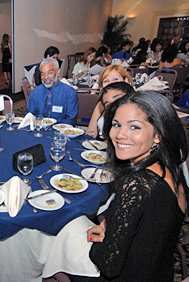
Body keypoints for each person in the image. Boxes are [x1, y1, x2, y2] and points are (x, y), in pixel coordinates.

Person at [70, 91, 187, 281]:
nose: (120, 135)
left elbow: (108, 265)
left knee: (63, 243)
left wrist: (101, 243)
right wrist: (111, 230)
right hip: (160, 272)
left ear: (158, 134)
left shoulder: (137, 184)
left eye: (134, 127)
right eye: (116, 125)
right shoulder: (172, 171)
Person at [86, 64, 133, 139]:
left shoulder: (134, 105)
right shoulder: (101, 104)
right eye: (106, 81)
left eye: (115, 79)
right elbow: (91, 132)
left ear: (126, 80)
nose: (111, 83)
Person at [26, 58, 78, 125]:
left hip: (60, 131)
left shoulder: (70, 93)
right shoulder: (35, 92)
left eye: (50, 73)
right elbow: (29, 115)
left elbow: (71, 120)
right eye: (42, 74)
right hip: (38, 130)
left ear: (58, 72)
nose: (46, 77)